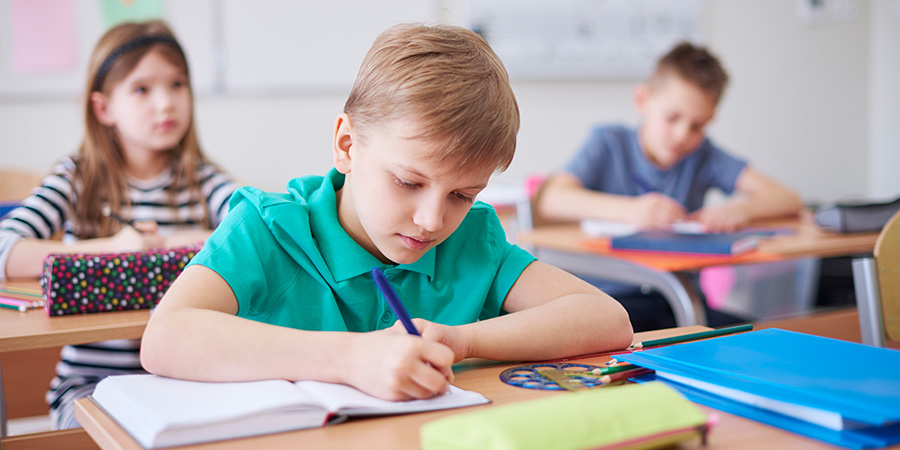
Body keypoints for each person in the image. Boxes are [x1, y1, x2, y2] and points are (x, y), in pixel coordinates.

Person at [140, 23, 633, 401]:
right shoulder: (268, 228)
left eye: (463, 195)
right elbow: (165, 338)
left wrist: (460, 340)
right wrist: (353, 359)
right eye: (408, 182)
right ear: (347, 145)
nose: (431, 220)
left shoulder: (471, 242)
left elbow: (607, 320)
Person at [0, 20, 238, 429]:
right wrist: (110, 246)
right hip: (91, 385)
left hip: (182, 380)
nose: (166, 103)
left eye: (178, 84)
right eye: (142, 89)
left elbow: (261, 225)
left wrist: (180, 238)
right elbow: (5, 248)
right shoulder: (77, 180)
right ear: (103, 107)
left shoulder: (201, 182)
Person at [536, 42, 803, 331]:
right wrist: (632, 212)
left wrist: (741, 210)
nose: (682, 135)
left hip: (681, 302)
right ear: (643, 100)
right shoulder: (608, 142)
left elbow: (788, 198)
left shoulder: (704, 155)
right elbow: (552, 199)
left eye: (697, 126)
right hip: (611, 303)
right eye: (673, 118)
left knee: (761, 336)